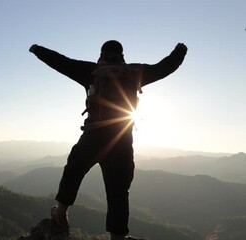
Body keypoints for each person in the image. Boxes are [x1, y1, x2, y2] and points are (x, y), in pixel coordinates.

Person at [29, 40, 187, 240]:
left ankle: (60, 212)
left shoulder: (91, 71)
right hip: (121, 140)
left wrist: (37, 50)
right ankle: (118, 236)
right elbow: (165, 67)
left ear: (102, 54)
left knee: (73, 170)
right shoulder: (135, 72)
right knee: (118, 191)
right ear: (122, 55)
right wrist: (180, 50)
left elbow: (61, 62)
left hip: (93, 136)